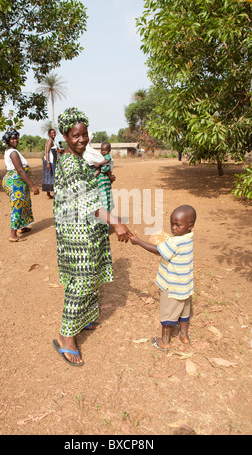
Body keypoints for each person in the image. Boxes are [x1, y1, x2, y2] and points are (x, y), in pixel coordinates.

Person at [52, 107, 132, 366]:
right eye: (76, 136)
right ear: (65, 136)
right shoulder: (68, 163)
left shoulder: (80, 159)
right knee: (82, 280)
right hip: (77, 232)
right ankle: (66, 337)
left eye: (85, 134)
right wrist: (117, 223)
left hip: (89, 228)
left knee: (91, 275)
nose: (82, 140)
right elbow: (88, 203)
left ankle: (84, 319)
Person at [130, 205, 196, 351]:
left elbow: (158, 251)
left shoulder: (175, 242)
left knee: (168, 315)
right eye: (172, 223)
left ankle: (164, 341)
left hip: (171, 286)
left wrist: (139, 241)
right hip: (184, 285)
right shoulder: (188, 237)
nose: (173, 228)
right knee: (184, 312)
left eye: (178, 225)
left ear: (189, 225)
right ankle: (184, 336)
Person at [2, 129, 39, 242]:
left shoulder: (11, 151)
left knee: (24, 203)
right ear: (8, 140)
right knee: (17, 205)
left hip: (17, 181)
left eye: (16, 138)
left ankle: (22, 227)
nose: (15, 140)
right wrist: (33, 186)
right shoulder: (12, 152)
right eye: (13, 138)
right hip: (16, 181)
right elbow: (20, 170)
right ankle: (13, 235)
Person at [42, 128, 60, 199]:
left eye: (54, 133)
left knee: (52, 176)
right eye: (52, 133)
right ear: (49, 134)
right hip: (49, 161)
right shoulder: (49, 141)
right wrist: (48, 163)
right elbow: (47, 152)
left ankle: (51, 193)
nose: (53, 134)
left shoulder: (52, 141)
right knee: (48, 177)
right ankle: (48, 194)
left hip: (53, 162)